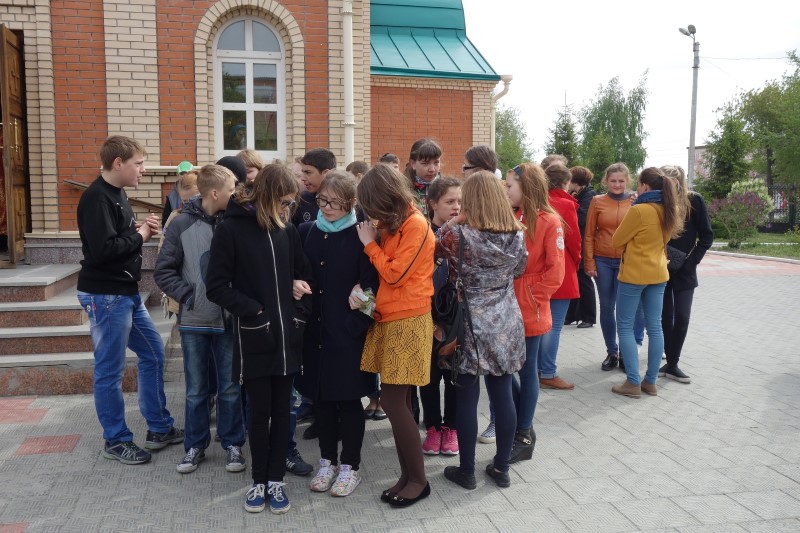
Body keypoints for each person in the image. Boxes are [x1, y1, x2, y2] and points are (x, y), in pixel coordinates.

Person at [206, 164, 312, 514]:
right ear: (267, 196)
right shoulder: (231, 229)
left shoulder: (288, 231)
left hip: (287, 339)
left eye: (291, 203)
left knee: (283, 412)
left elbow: (303, 277)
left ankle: (276, 479)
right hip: (255, 338)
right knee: (259, 412)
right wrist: (254, 310)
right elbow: (216, 286)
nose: (287, 209)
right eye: (283, 202)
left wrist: (299, 306)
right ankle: (259, 481)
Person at [76, 135, 183, 465]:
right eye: (138, 164)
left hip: (125, 293)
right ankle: (116, 440)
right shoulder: (96, 198)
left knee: (153, 353)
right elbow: (103, 251)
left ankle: (159, 427)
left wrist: (136, 228)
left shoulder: (117, 193)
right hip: (106, 295)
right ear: (118, 163)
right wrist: (141, 235)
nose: (143, 169)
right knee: (110, 371)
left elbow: (113, 236)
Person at [438, 171, 527, 490]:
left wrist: (454, 220)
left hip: (469, 322)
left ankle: (467, 470)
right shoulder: (517, 233)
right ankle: (502, 467)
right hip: (505, 319)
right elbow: (519, 270)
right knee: (503, 393)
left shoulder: (457, 234)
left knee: (466, 395)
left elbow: (434, 248)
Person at [153, 164, 245, 474]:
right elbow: (163, 270)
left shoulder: (235, 221)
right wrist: (190, 296)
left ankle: (233, 443)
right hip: (194, 321)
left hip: (229, 320)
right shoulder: (181, 223)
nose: (236, 194)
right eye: (232, 189)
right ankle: (195, 446)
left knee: (230, 388)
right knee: (196, 390)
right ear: (215, 193)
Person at [295, 171, 379, 497]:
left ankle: (350, 466)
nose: (326, 208)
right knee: (322, 401)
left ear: (352, 203)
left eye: (334, 203)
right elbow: (297, 274)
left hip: (347, 335)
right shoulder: (307, 232)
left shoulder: (362, 236)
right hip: (314, 334)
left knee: (348, 400)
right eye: (322, 201)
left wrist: (354, 325)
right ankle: (327, 461)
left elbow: (373, 287)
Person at [355, 163, 435, 507]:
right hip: (392, 317)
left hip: (409, 319)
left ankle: (418, 480)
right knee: (398, 402)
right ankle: (407, 477)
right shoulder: (394, 224)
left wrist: (369, 245)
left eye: (372, 205)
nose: (370, 213)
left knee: (392, 402)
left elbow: (396, 274)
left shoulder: (415, 224)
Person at [504, 163, 564, 463]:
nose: (505, 190)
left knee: (526, 370)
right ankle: (521, 423)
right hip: (505, 305)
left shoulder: (549, 221)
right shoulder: (512, 216)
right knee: (502, 370)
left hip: (528, 307)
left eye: (509, 185)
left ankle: (524, 433)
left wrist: (530, 295)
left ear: (526, 188)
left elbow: (556, 272)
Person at [611, 167, 685, 398]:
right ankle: (650, 381)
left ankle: (633, 382)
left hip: (634, 274)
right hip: (658, 274)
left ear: (644, 186)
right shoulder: (669, 208)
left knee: (625, 326)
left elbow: (617, 240)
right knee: (655, 327)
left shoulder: (639, 210)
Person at [584, 163, 644, 372]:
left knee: (627, 309)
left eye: (621, 181)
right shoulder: (597, 201)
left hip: (627, 261)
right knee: (607, 307)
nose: (617, 185)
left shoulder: (635, 200)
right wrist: (589, 261)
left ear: (627, 181)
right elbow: (589, 234)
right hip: (602, 261)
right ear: (606, 181)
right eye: (613, 181)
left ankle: (628, 352)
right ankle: (612, 351)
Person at [659, 165, 713, 384]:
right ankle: (670, 362)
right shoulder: (657, 201)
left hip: (685, 269)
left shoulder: (694, 200)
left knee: (682, 316)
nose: (665, 185)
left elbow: (707, 236)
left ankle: (673, 363)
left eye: (669, 181)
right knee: (664, 317)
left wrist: (691, 262)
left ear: (678, 181)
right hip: (659, 267)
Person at [420, 177, 461, 456]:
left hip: (455, 316)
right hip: (427, 313)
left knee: (454, 374)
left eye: (459, 201)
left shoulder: (464, 234)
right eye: (450, 201)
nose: (456, 207)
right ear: (433, 203)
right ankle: (433, 427)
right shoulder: (423, 233)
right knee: (429, 376)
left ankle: (452, 428)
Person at [538, 163, 581, 390]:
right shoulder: (566, 204)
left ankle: (536, 369)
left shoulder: (535, 201)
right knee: (554, 326)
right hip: (561, 267)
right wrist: (578, 260)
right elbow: (573, 239)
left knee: (539, 323)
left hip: (537, 269)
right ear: (566, 182)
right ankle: (548, 371)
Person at [565, 166, 597, 327]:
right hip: (579, 241)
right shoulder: (580, 194)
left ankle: (589, 317)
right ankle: (572, 314)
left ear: (575, 182)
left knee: (584, 280)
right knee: (576, 278)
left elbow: (581, 218)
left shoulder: (589, 196)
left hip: (584, 242)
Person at [294, 148, 337, 225]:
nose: (303, 178)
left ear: (326, 173)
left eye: (308, 172)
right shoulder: (302, 199)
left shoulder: (343, 201)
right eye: (303, 173)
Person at [405, 138, 442, 216]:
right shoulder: (402, 190)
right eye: (425, 163)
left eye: (436, 163)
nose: (432, 169)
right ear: (413, 163)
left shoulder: (446, 188)